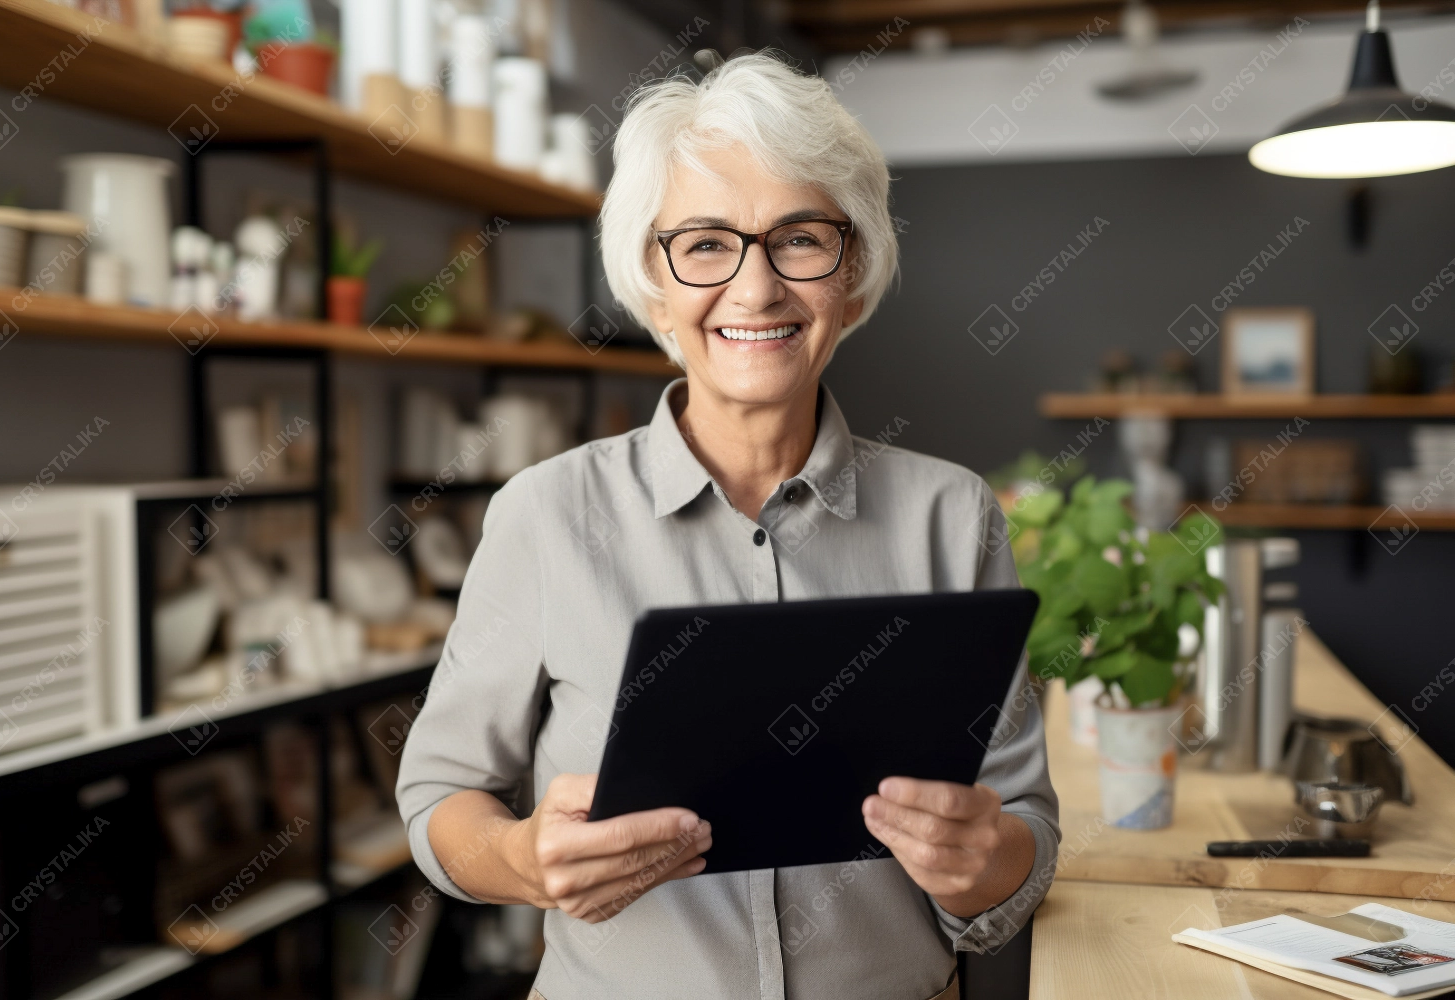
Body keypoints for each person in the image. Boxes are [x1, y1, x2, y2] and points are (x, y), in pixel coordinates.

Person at [396, 50, 1058, 1000]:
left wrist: (981, 860)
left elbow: (1023, 826)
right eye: (705, 243)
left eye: (799, 239)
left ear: (854, 272)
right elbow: (439, 798)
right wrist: (518, 857)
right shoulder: (544, 515)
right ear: (651, 279)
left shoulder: (953, 517)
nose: (755, 290)